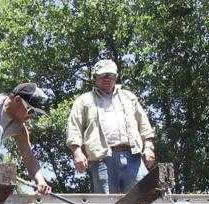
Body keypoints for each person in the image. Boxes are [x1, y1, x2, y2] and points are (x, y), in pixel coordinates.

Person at [66, 59, 156, 194]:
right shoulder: (84, 101)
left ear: (116, 77)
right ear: (95, 78)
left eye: (111, 75)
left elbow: (145, 125)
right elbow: (74, 129)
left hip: (134, 158)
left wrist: (148, 148)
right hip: (102, 160)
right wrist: (77, 153)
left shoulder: (129, 97)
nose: (107, 79)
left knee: (140, 200)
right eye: (103, 75)